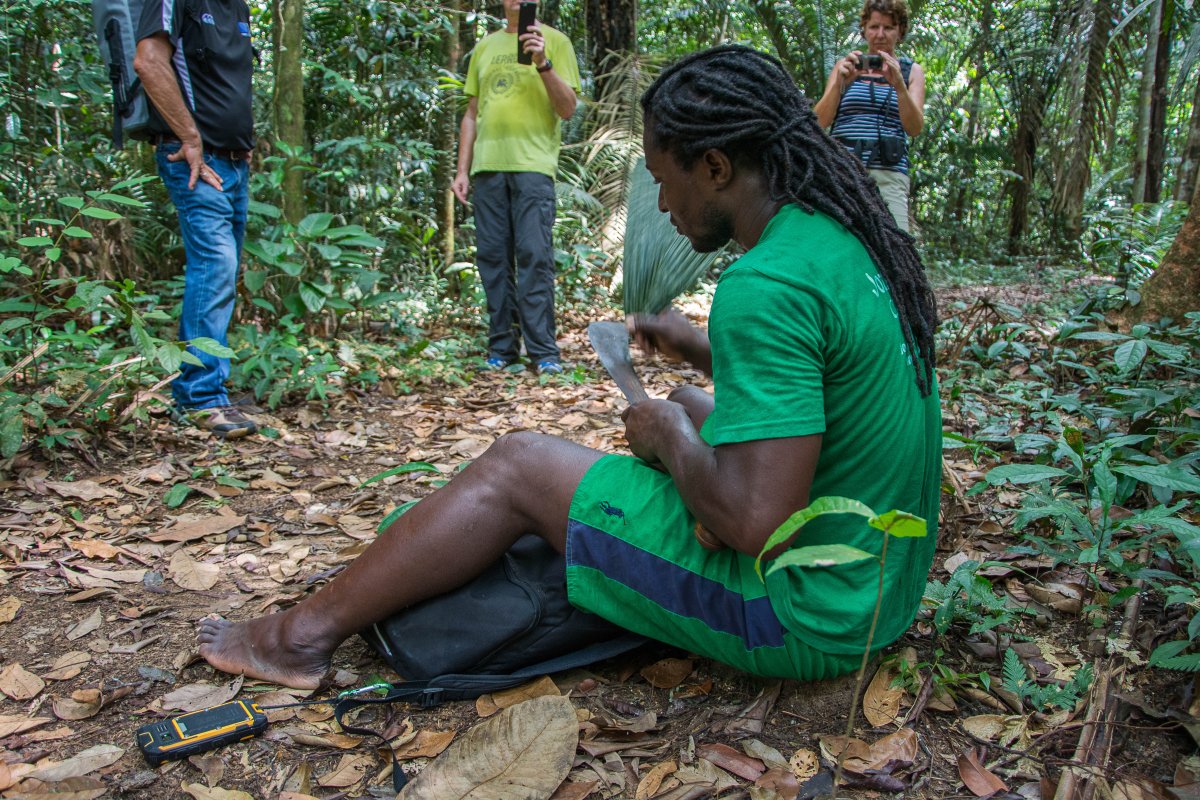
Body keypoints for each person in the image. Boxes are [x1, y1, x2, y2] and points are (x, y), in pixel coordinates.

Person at [197, 45, 941, 690]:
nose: (660, 200)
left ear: (715, 166)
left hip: (802, 615)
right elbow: (834, 374)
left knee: (524, 462)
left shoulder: (765, 283)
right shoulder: (846, 238)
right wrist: (700, 352)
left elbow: (755, 520)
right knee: (685, 395)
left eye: (663, 176)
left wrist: (668, 440)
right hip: (879, 590)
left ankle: (295, 641)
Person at [132, 0, 258, 438]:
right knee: (215, 265)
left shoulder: (237, 8)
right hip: (193, 160)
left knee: (224, 269)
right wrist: (190, 137)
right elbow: (148, 61)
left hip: (233, 162)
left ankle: (210, 388)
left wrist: (243, 147)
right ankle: (200, 397)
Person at [450, 0, 581, 376]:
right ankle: (502, 348)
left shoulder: (556, 42)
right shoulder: (485, 47)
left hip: (533, 167)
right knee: (492, 258)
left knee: (534, 256)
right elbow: (472, 114)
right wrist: (462, 170)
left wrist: (542, 62)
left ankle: (543, 352)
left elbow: (568, 108)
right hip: (487, 168)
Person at [813, 0, 926, 232]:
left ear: (900, 31)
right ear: (864, 29)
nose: (880, 34)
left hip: (889, 174)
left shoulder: (911, 72)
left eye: (888, 27)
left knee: (896, 248)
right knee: (836, 243)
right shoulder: (844, 67)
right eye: (874, 27)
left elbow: (914, 128)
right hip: (842, 172)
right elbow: (818, 123)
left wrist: (899, 87)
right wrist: (840, 84)